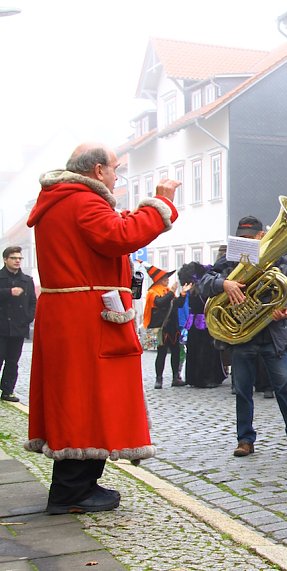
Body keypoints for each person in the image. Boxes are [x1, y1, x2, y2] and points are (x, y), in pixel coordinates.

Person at [25, 142, 179, 514]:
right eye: (113, 169)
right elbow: (119, 236)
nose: (115, 176)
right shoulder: (82, 201)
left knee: (84, 398)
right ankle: (71, 491)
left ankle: (82, 483)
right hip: (86, 318)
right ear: (96, 170)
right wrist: (160, 204)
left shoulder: (65, 200)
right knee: (86, 399)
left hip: (75, 313)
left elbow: (110, 231)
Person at [198, 215, 287, 457]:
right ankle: (245, 440)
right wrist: (224, 284)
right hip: (243, 337)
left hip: (272, 335)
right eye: (241, 238)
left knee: (284, 387)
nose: (246, 241)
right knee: (243, 390)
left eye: (250, 238)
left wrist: (286, 307)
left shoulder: (277, 260)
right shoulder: (229, 259)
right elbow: (204, 282)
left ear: (261, 237)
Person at [178, 261, 226, 388]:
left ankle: (194, 377)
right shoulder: (200, 291)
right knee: (205, 350)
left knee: (196, 350)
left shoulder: (194, 291)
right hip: (203, 322)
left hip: (195, 322)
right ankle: (205, 378)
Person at [0, 246, 36, 402]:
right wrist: (8, 292)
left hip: (18, 327)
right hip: (1, 326)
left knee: (13, 361)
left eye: (19, 258)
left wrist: (27, 318)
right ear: (5, 259)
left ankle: (8, 391)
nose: (17, 261)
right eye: (14, 258)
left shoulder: (27, 280)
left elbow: (33, 302)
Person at [142, 264, 186, 389]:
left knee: (176, 352)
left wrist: (182, 294)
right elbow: (160, 303)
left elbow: (177, 304)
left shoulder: (167, 291)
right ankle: (159, 379)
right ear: (159, 280)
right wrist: (172, 292)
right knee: (161, 353)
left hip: (172, 327)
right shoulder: (152, 292)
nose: (167, 280)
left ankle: (175, 378)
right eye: (165, 278)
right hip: (160, 327)